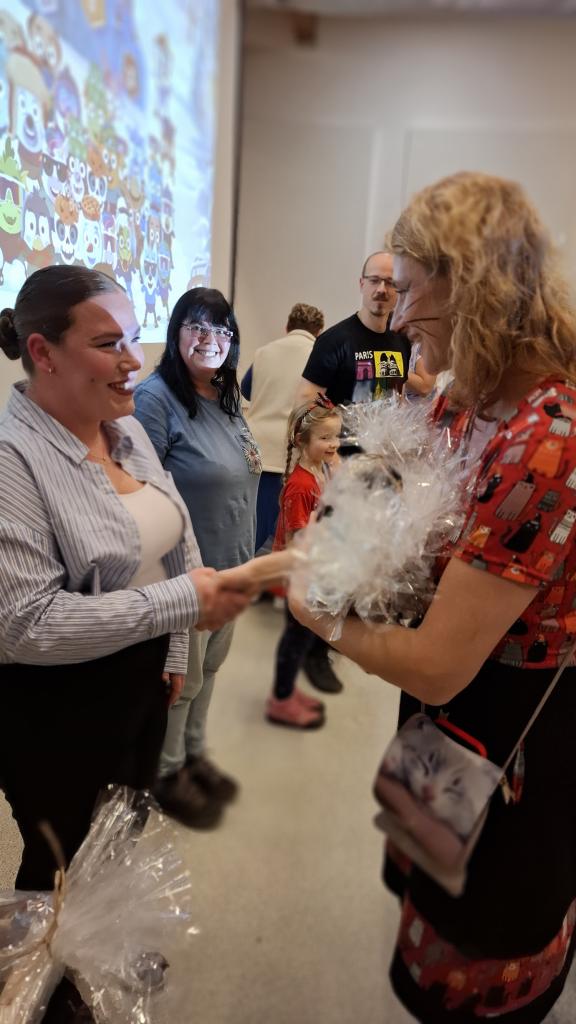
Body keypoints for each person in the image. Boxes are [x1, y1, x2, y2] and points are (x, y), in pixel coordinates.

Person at [289, 172, 576, 1023]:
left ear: (472, 286)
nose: (398, 310)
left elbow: (439, 663)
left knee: (479, 953)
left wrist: (318, 616)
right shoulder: (468, 403)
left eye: (411, 289)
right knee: (428, 883)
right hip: (448, 729)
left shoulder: (547, 439)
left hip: (507, 738)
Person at [0, 266, 250, 1023]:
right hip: (57, 701)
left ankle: (98, 947)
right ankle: (43, 989)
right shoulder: (13, 459)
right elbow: (25, 624)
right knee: (59, 853)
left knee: (121, 826)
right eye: (109, 343)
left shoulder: (128, 430)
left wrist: (171, 651)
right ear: (43, 353)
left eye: (133, 339)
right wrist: (183, 606)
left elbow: (176, 538)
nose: (134, 361)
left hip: (141, 678)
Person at [134, 287, 261, 830]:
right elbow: (139, 493)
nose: (212, 340)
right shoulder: (155, 398)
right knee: (181, 683)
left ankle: (191, 755)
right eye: (198, 327)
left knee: (209, 672)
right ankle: (165, 776)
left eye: (222, 330)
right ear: (176, 332)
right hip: (188, 575)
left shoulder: (225, 397)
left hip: (233, 569)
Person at [266, 398, 342, 729]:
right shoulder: (300, 486)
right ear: (302, 440)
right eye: (325, 437)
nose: (334, 444)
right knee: (295, 639)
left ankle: (288, 690)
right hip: (302, 574)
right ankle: (281, 699)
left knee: (303, 636)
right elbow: (297, 541)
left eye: (336, 436)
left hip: (315, 569)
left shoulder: (320, 469)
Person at [241, 302, 325, 553]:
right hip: (290, 453)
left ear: (287, 327)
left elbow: (246, 390)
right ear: (319, 331)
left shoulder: (263, 352)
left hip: (254, 448)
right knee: (287, 538)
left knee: (252, 532)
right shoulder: (318, 354)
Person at [295, 251, 410, 407]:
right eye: (374, 280)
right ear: (362, 284)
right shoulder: (333, 341)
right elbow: (304, 405)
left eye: (390, 282)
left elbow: (398, 397)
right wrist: (341, 420)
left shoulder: (402, 341)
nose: (382, 289)